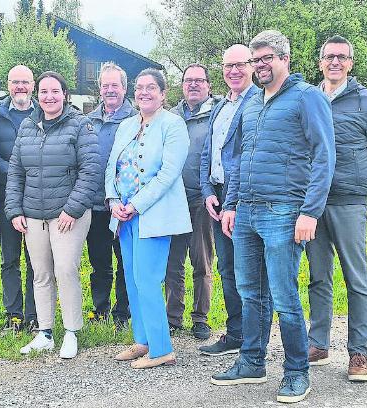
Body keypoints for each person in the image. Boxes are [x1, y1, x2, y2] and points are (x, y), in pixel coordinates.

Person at [211, 30, 335, 404]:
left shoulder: (307, 97)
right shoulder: (250, 103)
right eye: (255, 59)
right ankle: (252, 362)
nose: (259, 65)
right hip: (246, 211)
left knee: (283, 295)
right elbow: (238, 159)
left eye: (267, 58)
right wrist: (231, 204)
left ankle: (297, 372)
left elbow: (325, 158)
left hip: (284, 211)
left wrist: (310, 211)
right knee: (250, 292)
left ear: (285, 59)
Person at [306, 35, 367, 382]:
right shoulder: (308, 99)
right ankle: (318, 343)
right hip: (312, 204)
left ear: (351, 63)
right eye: (329, 57)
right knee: (317, 276)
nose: (335, 62)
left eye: (342, 57)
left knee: (356, 279)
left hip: (349, 202)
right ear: (320, 62)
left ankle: (359, 352)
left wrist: (360, 190)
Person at [5, 71, 100, 359]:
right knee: (41, 274)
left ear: (65, 94)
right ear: (38, 94)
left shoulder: (81, 126)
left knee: (65, 270)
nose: (49, 97)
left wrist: (72, 209)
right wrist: (14, 209)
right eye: (44, 91)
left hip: (67, 216)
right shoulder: (28, 126)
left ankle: (71, 332)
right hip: (33, 216)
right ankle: (45, 332)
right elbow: (16, 171)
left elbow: (90, 171)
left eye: (55, 91)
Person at [107, 68, 191, 369]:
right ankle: (142, 340)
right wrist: (114, 201)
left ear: (163, 93)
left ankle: (162, 348)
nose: (144, 92)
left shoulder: (174, 125)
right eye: (140, 87)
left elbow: (168, 174)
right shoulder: (127, 125)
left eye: (151, 87)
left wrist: (136, 205)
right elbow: (112, 167)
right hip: (124, 217)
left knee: (147, 280)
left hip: (153, 215)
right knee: (131, 279)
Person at [198, 44, 258, 355]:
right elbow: (208, 153)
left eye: (240, 65)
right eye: (227, 65)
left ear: (252, 66)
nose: (233, 71)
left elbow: (246, 158)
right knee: (226, 268)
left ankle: (252, 339)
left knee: (247, 270)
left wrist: (232, 203)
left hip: (243, 198)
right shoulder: (220, 107)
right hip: (217, 196)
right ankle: (236, 334)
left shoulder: (258, 103)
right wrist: (208, 191)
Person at [166, 63, 220, 339]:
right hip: (173, 200)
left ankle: (200, 317)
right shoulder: (171, 116)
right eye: (188, 81)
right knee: (172, 263)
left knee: (202, 261)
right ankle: (173, 317)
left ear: (209, 85)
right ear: (182, 85)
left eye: (199, 81)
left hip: (202, 200)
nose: (193, 85)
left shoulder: (217, 114)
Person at [85, 62, 136, 329]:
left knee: (125, 261)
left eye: (114, 85)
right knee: (99, 262)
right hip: (95, 205)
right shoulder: (89, 120)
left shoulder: (135, 119)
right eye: (105, 86)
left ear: (124, 88)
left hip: (124, 206)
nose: (109, 90)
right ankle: (100, 309)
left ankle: (122, 313)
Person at [0, 65, 39, 333]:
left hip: (37, 199)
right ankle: (13, 314)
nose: (20, 87)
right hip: (3, 197)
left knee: (36, 259)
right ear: (7, 84)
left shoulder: (42, 112)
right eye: (15, 82)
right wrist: (16, 174)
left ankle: (34, 313)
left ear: (32, 85)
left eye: (25, 82)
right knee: (9, 257)